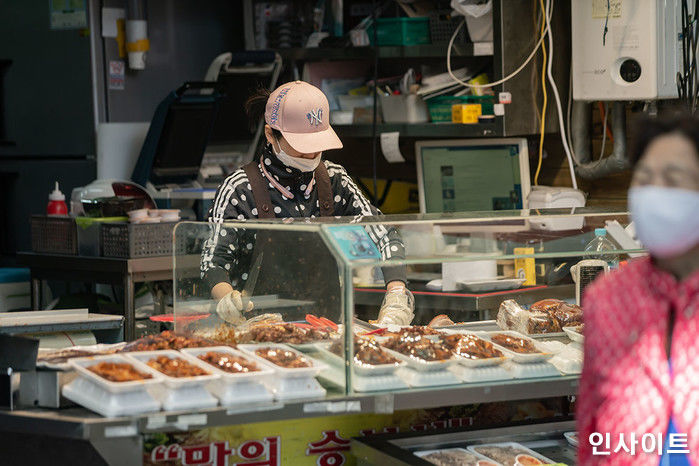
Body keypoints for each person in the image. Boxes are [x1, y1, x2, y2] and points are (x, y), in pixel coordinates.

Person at [201, 81, 414, 327]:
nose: (312, 155)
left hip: (328, 329)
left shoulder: (334, 180)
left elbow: (383, 233)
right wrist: (227, 299)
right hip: (258, 331)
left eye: (317, 145)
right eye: (303, 147)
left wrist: (397, 294)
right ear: (271, 134)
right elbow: (214, 260)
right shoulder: (239, 188)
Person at [577, 114, 699, 465]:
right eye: (645, 179)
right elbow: (592, 429)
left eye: (674, 181)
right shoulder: (608, 299)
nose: (656, 193)